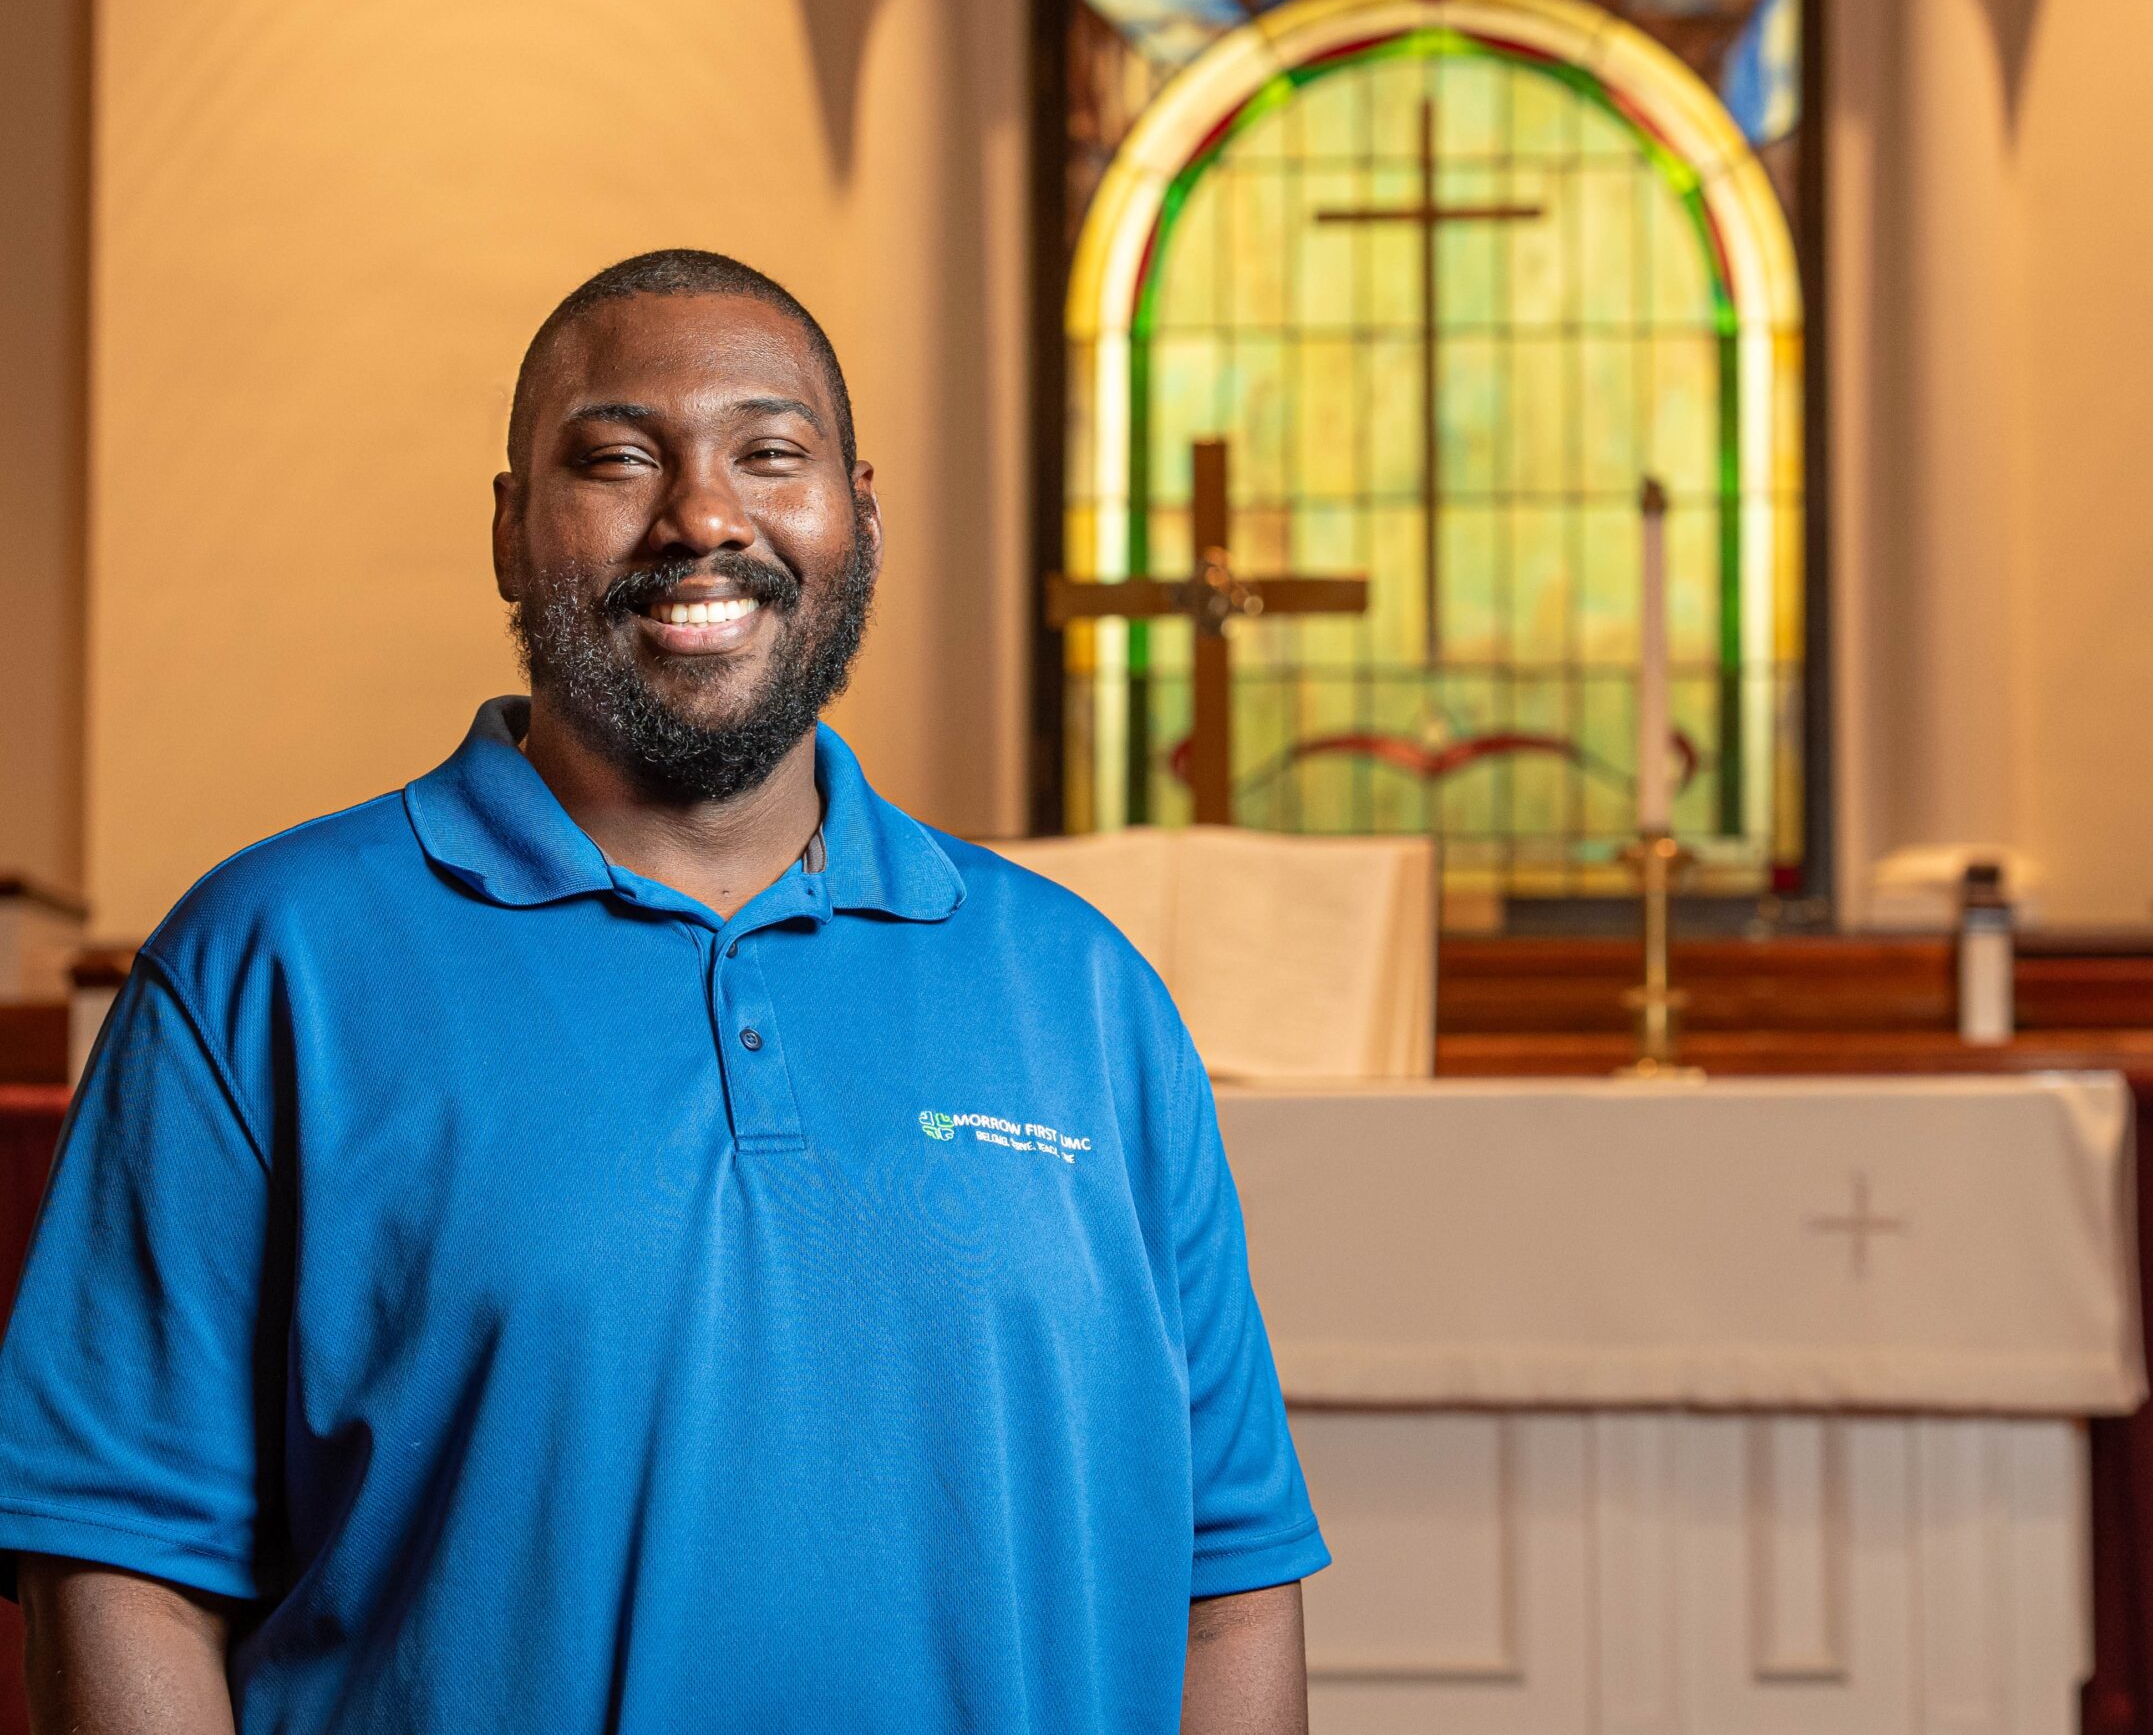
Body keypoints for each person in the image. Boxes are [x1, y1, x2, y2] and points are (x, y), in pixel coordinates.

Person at [0, 249, 1327, 1734]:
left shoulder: (1084, 993)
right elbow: (118, 1564)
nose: (703, 517)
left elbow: (1225, 1585)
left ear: (859, 515)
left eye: (771, 454)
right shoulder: (267, 964)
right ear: (510, 531)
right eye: (618, 458)